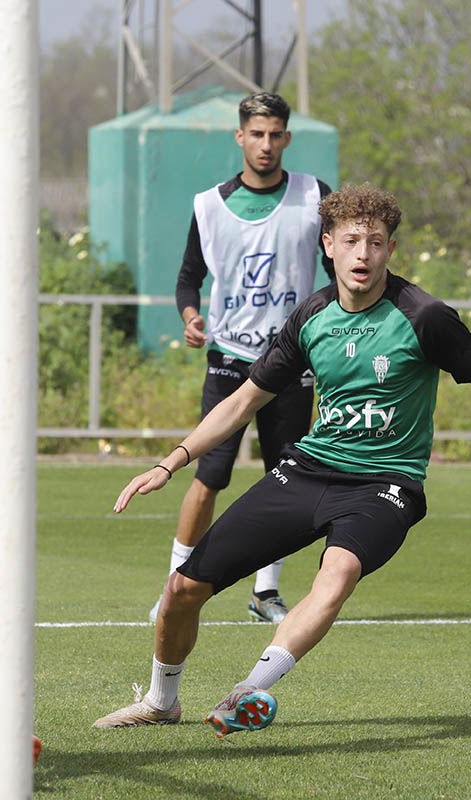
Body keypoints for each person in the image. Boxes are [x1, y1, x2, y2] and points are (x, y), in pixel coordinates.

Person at [95, 183, 471, 735]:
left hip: (386, 485)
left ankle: (247, 692)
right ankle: (161, 700)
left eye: (376, 242)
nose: (363, 254)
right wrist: (169, 462)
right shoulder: (310, 318)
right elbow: (243, 401)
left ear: (391, 249)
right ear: (328, 246)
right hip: (308, 470)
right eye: (351, 241)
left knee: (338, 570)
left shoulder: (425, 316)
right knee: (182, 590)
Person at [150, 91, 333, 625]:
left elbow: (336, 270)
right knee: (210, 474)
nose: (266, 144)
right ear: (240, 136)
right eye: (257, 134)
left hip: (291, 361)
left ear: (287, 138)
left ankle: (265, 593)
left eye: (276, 134)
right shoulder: (209, 205)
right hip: (230, 359)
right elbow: (189, 278)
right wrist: (189, 317)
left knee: (287, 476)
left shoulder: (312, 196)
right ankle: (175, 584)